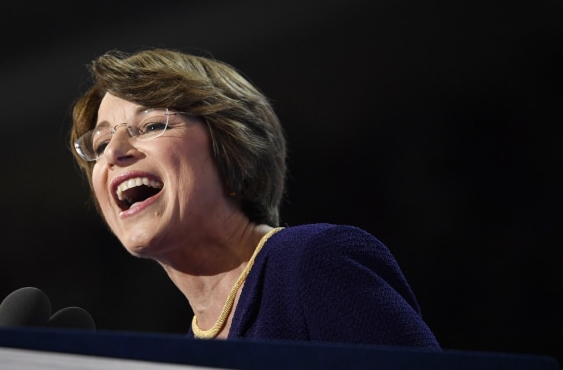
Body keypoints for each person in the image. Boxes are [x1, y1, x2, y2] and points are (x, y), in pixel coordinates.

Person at [68, 47, 440, 348]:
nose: (114, 153)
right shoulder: (188, 351)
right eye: (100, 145)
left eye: (149, 125)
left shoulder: (312, 262)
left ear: (231, 149)